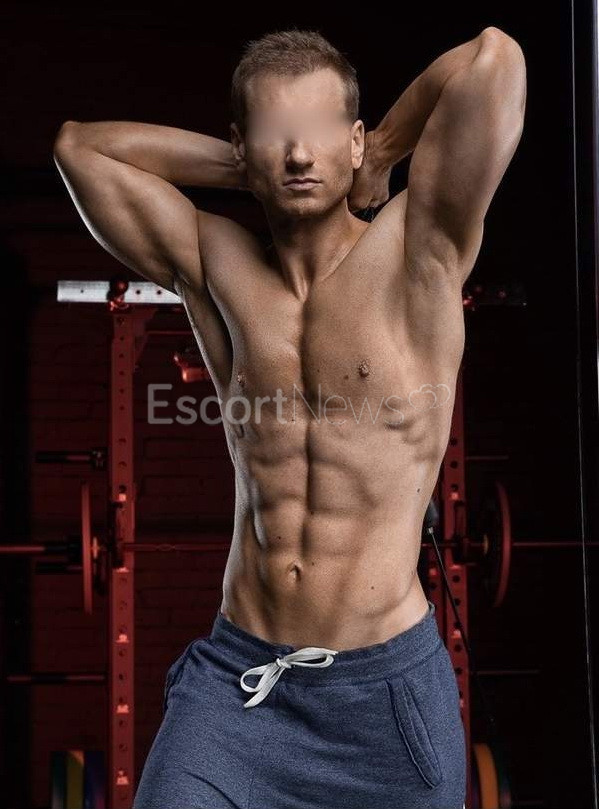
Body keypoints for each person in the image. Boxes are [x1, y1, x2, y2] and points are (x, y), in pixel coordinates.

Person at [53, 26, 526, 809]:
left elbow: (493, 59)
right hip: (239, 685)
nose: (300, 156)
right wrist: (244, 165)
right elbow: (80, 150)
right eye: (278, 135)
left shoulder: (420, 249)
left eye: (319, 133)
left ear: (354, 138)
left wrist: (379, 156)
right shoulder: (214, 263)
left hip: (383, 698)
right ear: (244, 144)